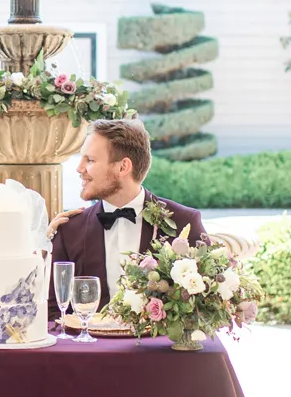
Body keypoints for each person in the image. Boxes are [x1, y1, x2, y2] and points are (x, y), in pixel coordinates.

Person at [46, 118, 208, 313]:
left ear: (123, 167)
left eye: (90, 160)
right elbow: (52, 313)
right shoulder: (69, 229)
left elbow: (205, 303)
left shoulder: (183, 223)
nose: (79, 168)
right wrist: (44, 246)